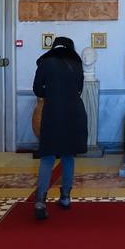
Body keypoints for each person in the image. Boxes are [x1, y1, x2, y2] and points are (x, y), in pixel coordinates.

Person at [32, 36, 88, 220]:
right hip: (74, 113)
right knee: (68, 155)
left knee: (47, 156)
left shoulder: (46, 63)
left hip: (53, 113)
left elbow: (37, 89)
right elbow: (79, 88)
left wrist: (51, 93)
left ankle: (40, 201)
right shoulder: (76, 64)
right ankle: (65, 198)